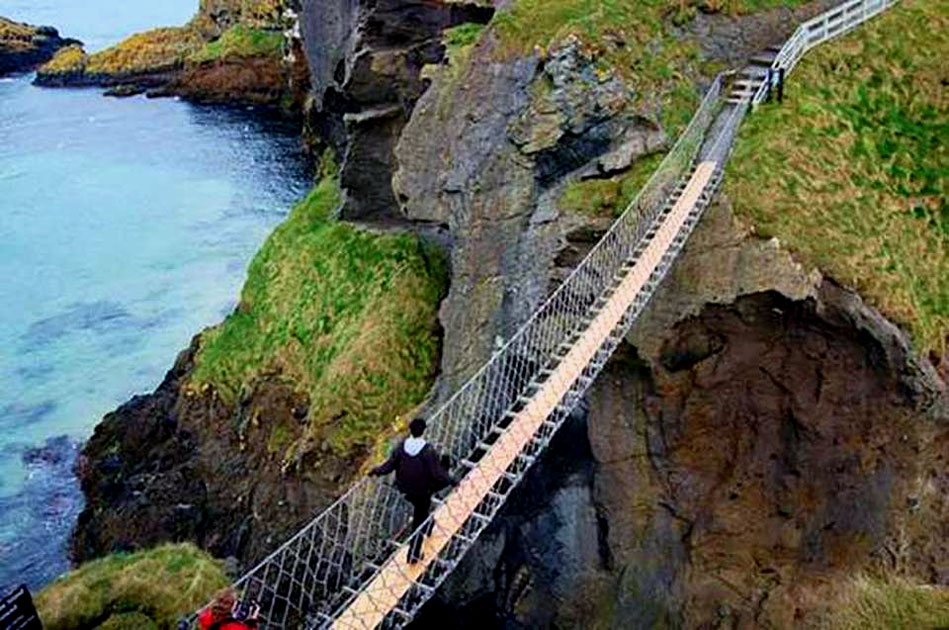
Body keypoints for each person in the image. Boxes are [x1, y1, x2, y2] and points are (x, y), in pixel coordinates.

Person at [369, 417, 456, 563]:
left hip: (405, 489)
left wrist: (375, 471)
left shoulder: (401, 447)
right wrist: (452, 480)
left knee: (420, 510)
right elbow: (437, 473)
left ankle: (428, 526)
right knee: (418, 521)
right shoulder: (428, 451)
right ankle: (413, 554)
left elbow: (389, 466)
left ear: (410, 430)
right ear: (424, 431)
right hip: (423, 491)